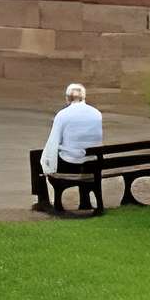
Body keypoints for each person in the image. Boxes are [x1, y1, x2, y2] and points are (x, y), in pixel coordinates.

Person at [31, 82, 106, 214]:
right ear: (84, 97)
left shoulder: (63, 115)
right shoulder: (96, 114)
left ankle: (43, 200)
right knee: (79, 152)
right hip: (93, 164)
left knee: (36, 156)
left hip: (71, 164)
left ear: (67, 98)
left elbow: (53, 141)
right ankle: (85, 200)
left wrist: (48, 161)